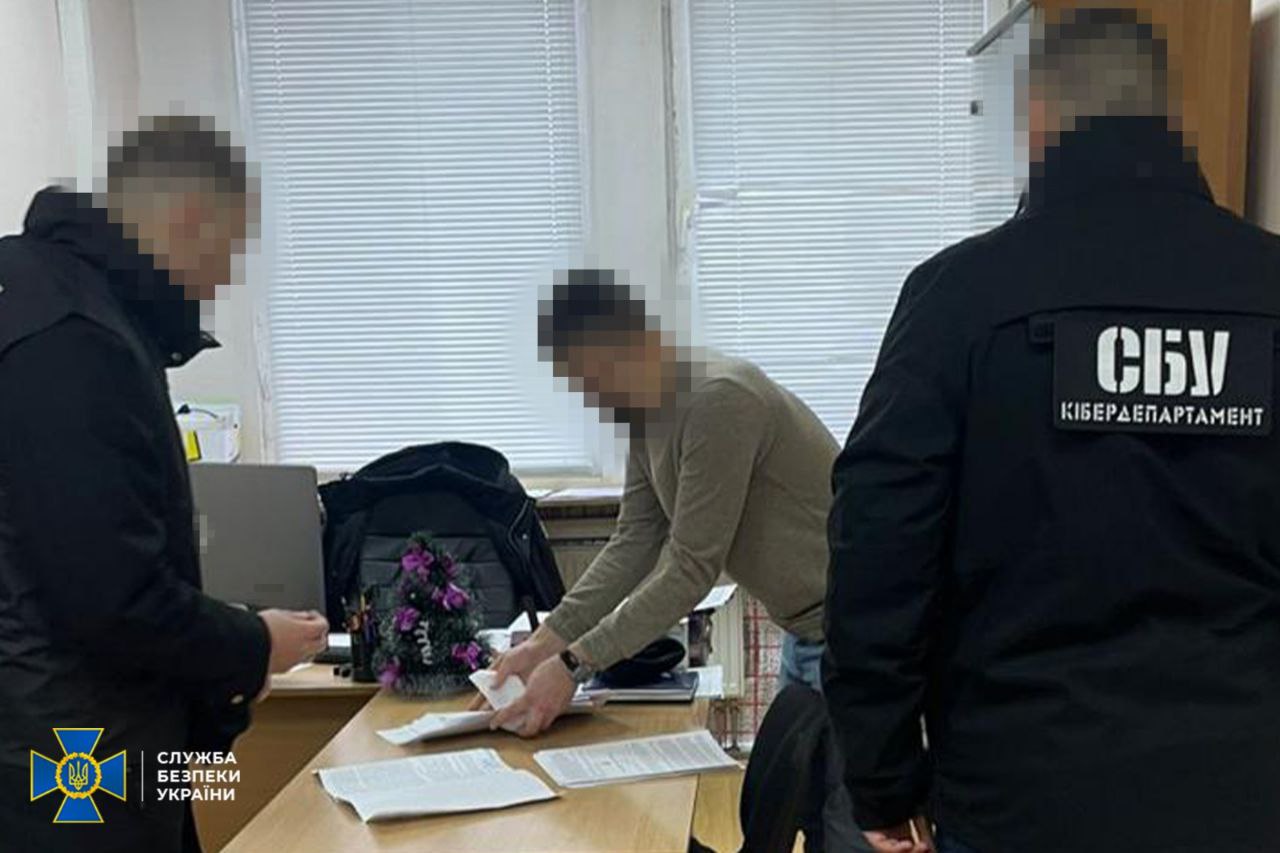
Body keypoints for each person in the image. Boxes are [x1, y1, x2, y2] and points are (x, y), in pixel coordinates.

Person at [824, 9, 1280, 853]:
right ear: (1168, 115)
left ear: (1038, 117)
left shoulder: (960, 299)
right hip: (1245, 795)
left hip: (1020, 799)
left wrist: (881, 779)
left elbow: (878, 549)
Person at [0, 116, 328, 852]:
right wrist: (253, 643)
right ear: (184, 218)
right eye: (225, 253)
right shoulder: (75, 339)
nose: (220, 283)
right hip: (74, 764)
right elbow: (110, 594)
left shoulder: (43, 295)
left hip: (71, 740)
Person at [481, 269, 866, 847]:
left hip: (854, 632)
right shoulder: (645, 411)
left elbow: (690, 568)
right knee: (812, 815)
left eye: (586, 373)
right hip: (807, 629)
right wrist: (543, 644)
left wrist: (573, 665)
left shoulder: (718, 400)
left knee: (850, 826)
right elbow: (634, 540)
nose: (586, 393)